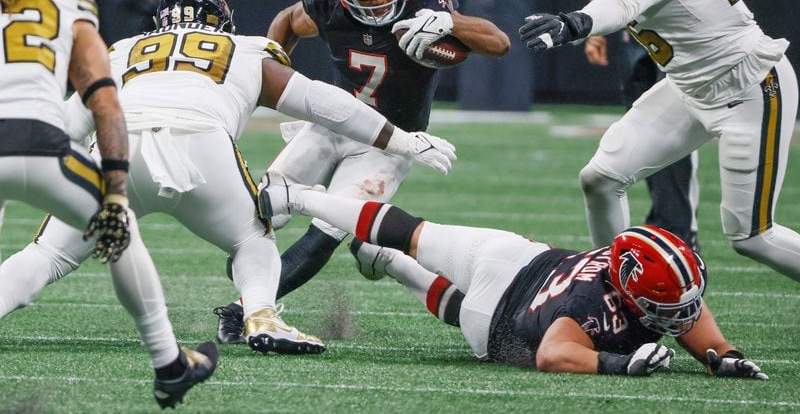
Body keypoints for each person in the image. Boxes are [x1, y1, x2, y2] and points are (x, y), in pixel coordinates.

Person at [0, 0, 458, 356]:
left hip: (116, 148)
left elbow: (65, 125)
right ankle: (261, 313)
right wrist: (400, 139)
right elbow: (324, 102)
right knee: (252, 239)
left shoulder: (123, 51)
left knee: (46, 254)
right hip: (200, 145)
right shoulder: (242, 48)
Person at [214, 0, 510, 344]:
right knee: (254, 217)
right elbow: (287, 21)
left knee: (324, 233)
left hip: (390, 144)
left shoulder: (427, 3)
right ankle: (368, 251)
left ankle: (244, 311)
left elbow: (498, 43)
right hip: (334, 124)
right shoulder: (325, 0)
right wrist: (274, 76)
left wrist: (447, 23)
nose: (379, 0)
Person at [518, 0, 800, 281]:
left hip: (749, 85)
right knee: (600, 179)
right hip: (690, 84)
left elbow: (626, 1)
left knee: (751, 236)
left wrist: (575, 23)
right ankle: (616, 294)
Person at [0, 0, 216, 408]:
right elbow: (104, 101)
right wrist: (116, 192)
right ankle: (169, 365)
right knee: (122, 233)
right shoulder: (67, 0)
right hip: (38, 146)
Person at [254, 175, 767, 378]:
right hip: (496, 315)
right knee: (458, 305)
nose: (683, 312)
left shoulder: (628, 278)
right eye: (668, 302)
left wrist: (726, 358)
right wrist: (618, 363)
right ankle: (388, 263)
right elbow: (553, 353)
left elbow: (692, 316)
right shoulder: (590, 304)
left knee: (412, 231)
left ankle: (298, 196)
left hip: (512, 255)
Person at [582, 0, 749, 252]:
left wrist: (727, 19)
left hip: (686, 38)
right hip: (638, 35)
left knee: (675, 134)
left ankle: (677, 226)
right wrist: (594, 28)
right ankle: (663, 222)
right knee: (641, 129)